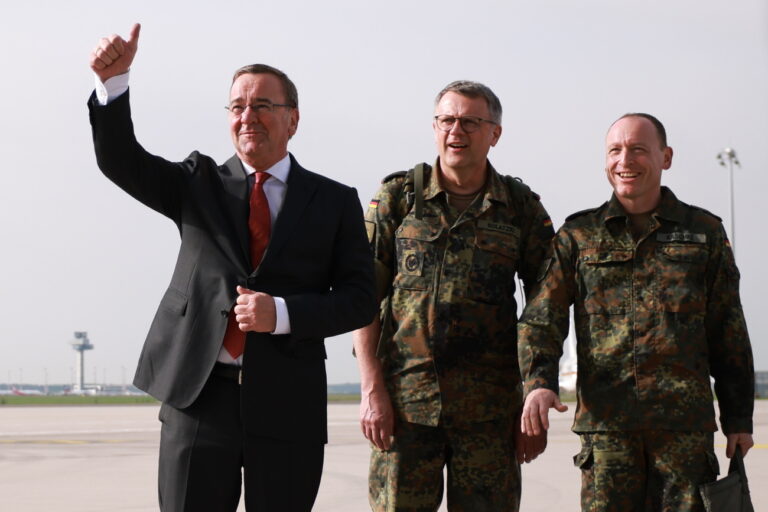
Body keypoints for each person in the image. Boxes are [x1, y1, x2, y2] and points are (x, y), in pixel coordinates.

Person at [88, 24, 376, 512]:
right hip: (199, 397)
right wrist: (113, 86)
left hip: (288, 404)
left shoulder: (334, 201)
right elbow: (122, 161)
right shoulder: (197, 182)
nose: (248, 117)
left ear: (293, 120)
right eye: (238, 107)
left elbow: (360, 299)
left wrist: (281, 314)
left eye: (263, 106)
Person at [518, 113, 755, 511]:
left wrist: (738, 417)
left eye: (638, 149)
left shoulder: (704, 233)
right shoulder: (579, 236)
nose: (624, 160)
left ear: (666, 157)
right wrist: (539, 381)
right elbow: (543, 318)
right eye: (615, 150)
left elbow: (728, 329)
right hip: (608, 434)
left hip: (684, 432)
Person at [353, 80, 554, 511]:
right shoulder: (398, 198)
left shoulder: (520, 208)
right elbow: (362, 299)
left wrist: (535, 390)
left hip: (490, 415)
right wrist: (372, 390)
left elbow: (545, 306)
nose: (455, 131)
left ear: (494, 133)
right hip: (405, 409)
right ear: (435, 126)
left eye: (469, 122)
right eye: (447, 120)